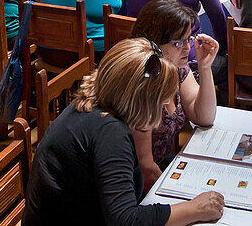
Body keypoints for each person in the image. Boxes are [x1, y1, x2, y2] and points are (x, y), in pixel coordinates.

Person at [23, 37, 224, 225]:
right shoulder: (110, 133)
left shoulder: (95, 104)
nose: (163, 108)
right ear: (139, 99)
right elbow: (125, 220)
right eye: (160, 101)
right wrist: (193, 209)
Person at [130, 0, 220, 190]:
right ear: (152, 42)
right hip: (134, 179)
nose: (188, 48)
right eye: (178, 43)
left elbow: (204, 117)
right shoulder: (143, 82)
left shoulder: (177, 69)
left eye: (189, 39)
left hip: (163, 164)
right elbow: (145, 168)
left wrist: (205, 67)